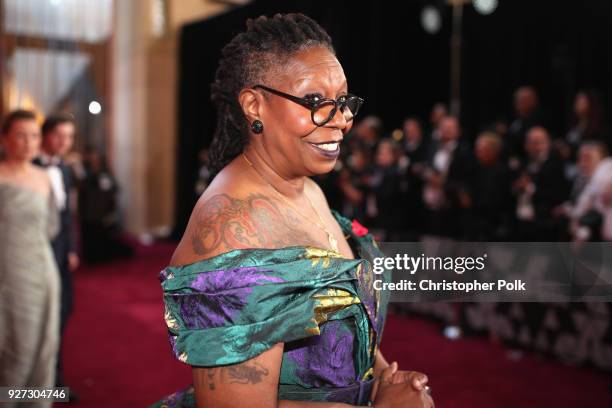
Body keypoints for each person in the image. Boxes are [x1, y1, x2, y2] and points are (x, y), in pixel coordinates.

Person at [153, 14, 433, 408]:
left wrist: (391, 381)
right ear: (254, 105)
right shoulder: (231, 232)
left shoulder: (310, 190)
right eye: (315, 101)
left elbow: (349, 322)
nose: (343, 119)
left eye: (343, 100)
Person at [0, 110, 60, 407]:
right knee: (14, 344)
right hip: (7, 271)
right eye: (20, 135)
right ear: (5, 139)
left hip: (43, 267)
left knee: (43, 342)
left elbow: (51, 227)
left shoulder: (44, 177)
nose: (28, 142)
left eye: (34, 135)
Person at [32, 113, 79, 394]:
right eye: (59, 135)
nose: (65, 142)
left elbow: (67, 213)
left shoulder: (63, 168)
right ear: (45, 135)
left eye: (70, 136)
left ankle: (54, 376)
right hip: (33, 252)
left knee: (62, 312)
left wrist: (72, 248)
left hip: (61, 254)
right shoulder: (24, 166)